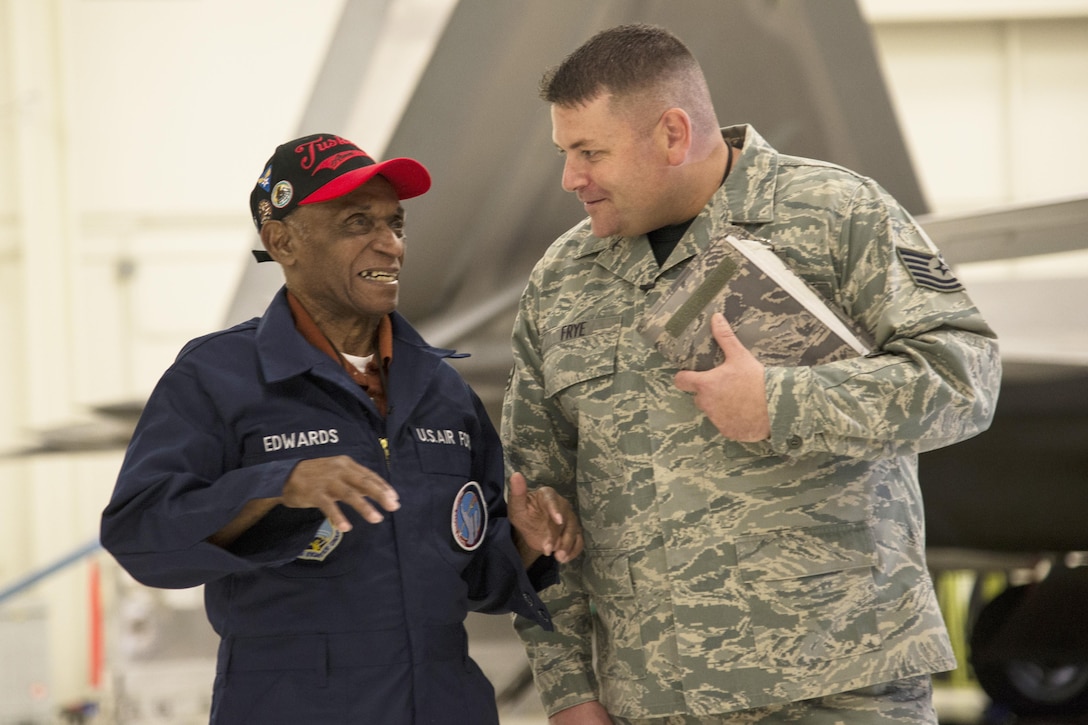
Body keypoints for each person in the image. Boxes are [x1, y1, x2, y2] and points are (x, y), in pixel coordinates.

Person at [502, 24, 1001, 725]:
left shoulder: (836, 214)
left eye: (590, 152)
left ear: (673, 135)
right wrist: (568, 687)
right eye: (566, 153)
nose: (571, 178)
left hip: (837, 685)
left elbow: (965, 377)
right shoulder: (562, 279)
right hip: (654, 699)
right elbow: (539, 500)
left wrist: (785, 403)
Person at [100, 132, 583, 725]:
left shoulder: (440, 389)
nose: (391, 246)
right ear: (282, 240)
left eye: (396, 224)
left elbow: (477, 574)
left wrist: (528, 541)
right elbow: (141, 538)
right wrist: (278, 487)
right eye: (358, 223)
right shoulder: (216, 378)